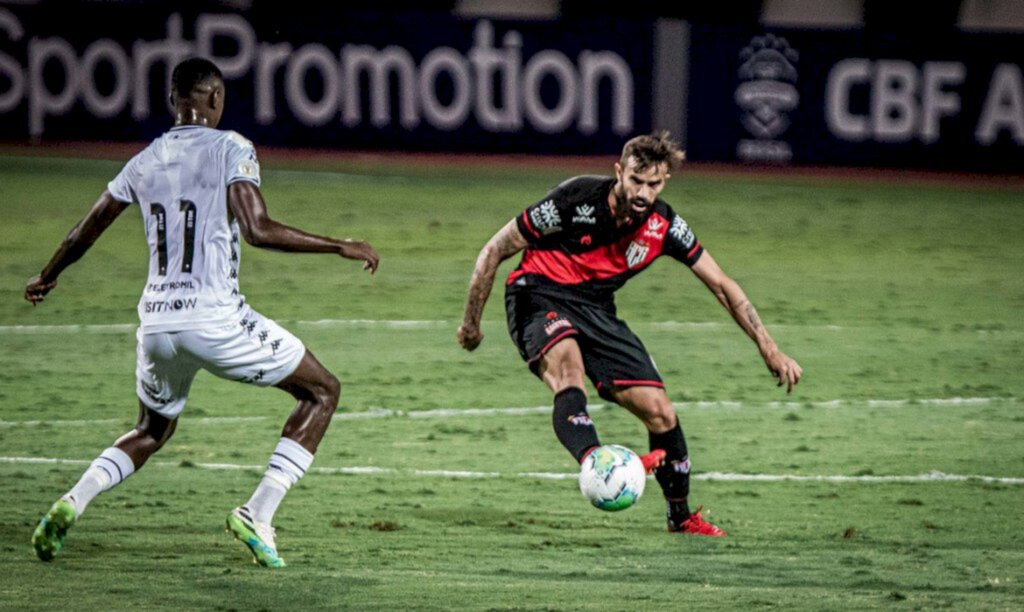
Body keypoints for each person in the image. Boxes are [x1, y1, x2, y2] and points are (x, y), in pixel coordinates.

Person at [25, 57, 379, 568]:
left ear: (174, 102)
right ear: (214, 99)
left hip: (156, 324)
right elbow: (257, 229)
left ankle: (72, 501)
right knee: (323, 390)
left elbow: (88, 227)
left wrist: (48, 274)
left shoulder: (145, 159)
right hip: (215, 319)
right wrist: (338, 245)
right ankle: (258, 513)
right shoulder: (231, 147)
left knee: (151, 429)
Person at [457, 132, 801, 536]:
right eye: (635, 180)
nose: (642, 192)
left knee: (660, 411)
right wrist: (471, 323)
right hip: (538, 294)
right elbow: (494, 249)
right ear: (618, 172)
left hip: (597, 310)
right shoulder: (575, 199)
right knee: (568, 370)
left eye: (653, 184)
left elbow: (722, 284)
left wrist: (769, 348)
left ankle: (681, 516)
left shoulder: (664, 225)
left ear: (665, 181)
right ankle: (596, 463)